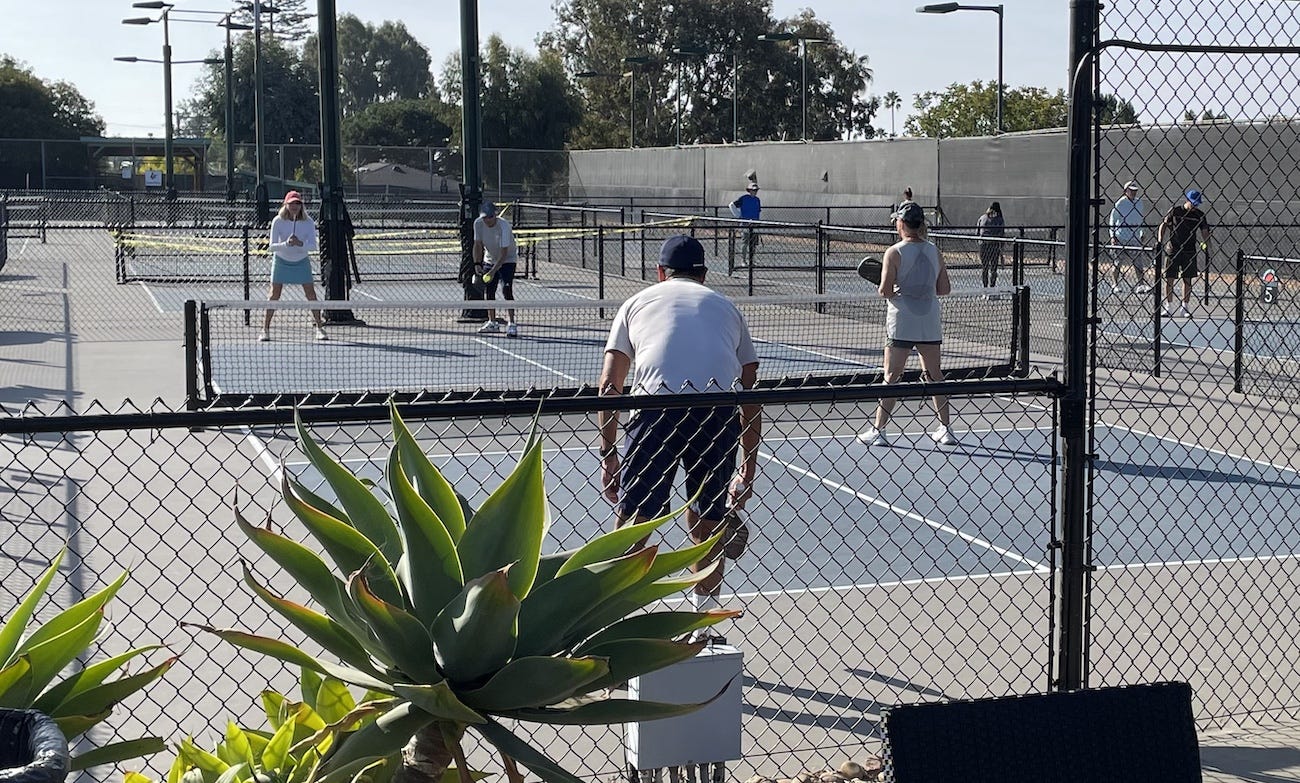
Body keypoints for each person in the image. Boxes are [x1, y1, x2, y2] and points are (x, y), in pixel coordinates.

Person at [597, 235, 762, 640]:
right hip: (715, 413)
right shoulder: (727, 308)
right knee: (707, 523)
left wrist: (609, 454)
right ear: (704, 275)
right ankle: (702, 625)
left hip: (655, 414)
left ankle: (620, 629)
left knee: (634, 525)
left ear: (659, 273)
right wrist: (749, 468)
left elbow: (608, 385)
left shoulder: (635, 303)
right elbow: (752, 392)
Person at [857, 201, 957, 448]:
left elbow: (885, 291)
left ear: (901, 223)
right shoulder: (935, 251)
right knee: (935, 375)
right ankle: (946, 429)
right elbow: (944, 289)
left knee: (891, 376)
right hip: (929, 321)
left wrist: (891, 285)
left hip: (902, 320)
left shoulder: (894, 252)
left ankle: (879, 430)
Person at [259, 191, 325, 342]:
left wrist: (300, 243)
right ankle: (265, 330)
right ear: (285, 205)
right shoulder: (277, 221)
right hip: (281, 261)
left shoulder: (308, 222)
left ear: (301, 205)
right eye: (291, 203)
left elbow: (313, 247)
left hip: (301, 261)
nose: (294, 206)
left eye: (297, 203)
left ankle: (320, 328)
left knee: (311, 295)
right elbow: (272, 247)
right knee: (274, 295)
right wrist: (286, 244)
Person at [1157, 189, 1211, 317]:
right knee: (1169, 278)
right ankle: (1168, 307)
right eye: (1193, 203)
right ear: (1187, 200)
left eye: (1197, 204)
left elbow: (1205, 232)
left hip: (1189, 251)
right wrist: (1160, 241)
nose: (1195, 206)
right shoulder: (1175, 211)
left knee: (1187, 280)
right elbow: (1163, 225)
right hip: (1173, 249)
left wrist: (1209, 247)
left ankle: (1185, 308)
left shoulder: (1199, 215)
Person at [473, 201, 519, 337]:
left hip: (508, 259)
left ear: (495, 215)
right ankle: (492, 322)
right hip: (490, 258)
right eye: (485, 217)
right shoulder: (478, 224)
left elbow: (504, 254)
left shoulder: (504, 226)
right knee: (489, 291)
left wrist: (492, 272)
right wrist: (477, 263)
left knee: (506, 290)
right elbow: (477, 245)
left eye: (490, 217)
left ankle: (512, 324)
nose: (487, 220)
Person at [1108, 180, 1149, 295]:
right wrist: (1113, 236)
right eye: (1131, 190)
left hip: (1135, 238)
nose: (1133, 193)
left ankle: (1140, 285)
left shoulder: (1139, 203)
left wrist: (1142, 233)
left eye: (1135, 191)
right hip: (1121, 237)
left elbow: (1141, 219)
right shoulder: (1120, 203)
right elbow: (1112, 219)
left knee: (1138, 264)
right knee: (1117, 263)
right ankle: (1115, 284)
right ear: (1125, 191)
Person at [729, 181, 762, 270]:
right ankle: (743, 260)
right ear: (749, 190)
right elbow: (732, 205)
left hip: (755, 224)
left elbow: (758, 211)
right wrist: (738, 216)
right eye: (753, 190)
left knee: (754, 244)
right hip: (745, 224)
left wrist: (757, 222)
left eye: (756, 190)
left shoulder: (757, 200)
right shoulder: (744, 198)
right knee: (745, 242)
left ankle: (751, 260)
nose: (755, 192)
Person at [976, 201, 1006, 288]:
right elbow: (1002, 234)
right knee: (993, 268)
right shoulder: (1000, 220)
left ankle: (985, 289)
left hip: (983, 245)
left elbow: (977, 232)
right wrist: (1001, 248)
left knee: (984, 268)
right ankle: (992, 288)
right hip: (994, 246)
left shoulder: (982, 218)